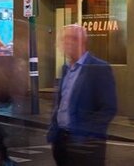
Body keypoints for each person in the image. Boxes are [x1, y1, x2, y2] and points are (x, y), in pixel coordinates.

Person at [49, 25, 118, 166]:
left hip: (85, 146)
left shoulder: (99, 68)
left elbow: (108, 108)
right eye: (65, 39)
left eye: (72, 38)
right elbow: (61, 103)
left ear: (83, 42)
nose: (67, 43)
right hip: (62, 142)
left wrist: (86, 136)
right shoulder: (65, 68)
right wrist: (54, 132)